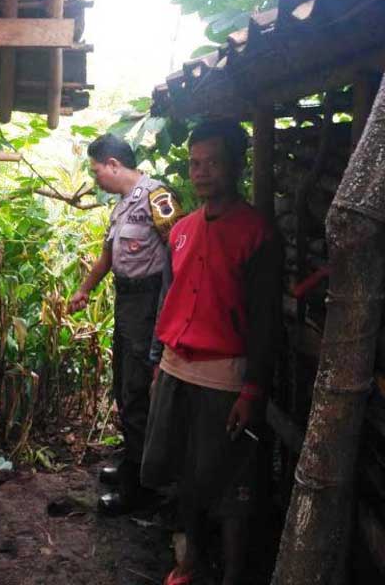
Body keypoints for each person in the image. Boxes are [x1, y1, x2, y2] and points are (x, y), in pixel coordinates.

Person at [141, 120, 281, 585]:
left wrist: (253, 389)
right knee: (184, 471)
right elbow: (170, 299)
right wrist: (160, 362)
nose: (201, 173)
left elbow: (265, 319)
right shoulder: (181, 231)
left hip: (225, 375)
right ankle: (190, 560)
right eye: (194, 164)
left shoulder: (256, 233)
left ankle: (234, 574)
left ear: (236, 165)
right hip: (177, 367)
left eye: (212, 163)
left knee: (232, 483)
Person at [68, 133, 183, 514]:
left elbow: (180, 255)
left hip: (150, 304)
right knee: (123, 385)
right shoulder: (121, 206)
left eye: (97, 169)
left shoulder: (157, 198)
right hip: (127, 302)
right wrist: (84, 289)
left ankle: (142, 488)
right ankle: (133, 463)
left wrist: (171, 316)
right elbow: (108, 254)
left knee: (137, 392)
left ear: (114, 164)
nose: (96, 177)